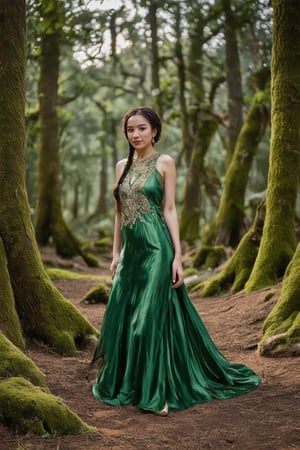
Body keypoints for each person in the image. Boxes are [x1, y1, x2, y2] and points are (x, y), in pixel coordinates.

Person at [91, 106, 260, 416]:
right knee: (124, 316)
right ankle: (132, 383)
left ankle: (157, 394)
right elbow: (119, 213)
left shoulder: (165, 162)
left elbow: (169, 209)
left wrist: (178, 256)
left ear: (154, 130)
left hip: (157, 249)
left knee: (146, 320)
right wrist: (116, 253)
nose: (136, 134)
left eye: (142, 128)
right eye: (130, 130)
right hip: (132, 252)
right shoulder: (121, 166)